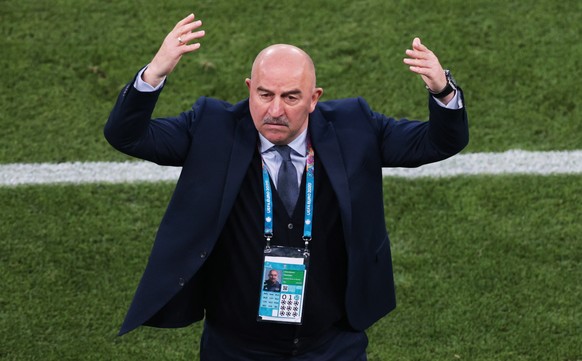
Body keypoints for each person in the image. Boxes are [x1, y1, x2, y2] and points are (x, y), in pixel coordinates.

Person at [104, 12, 468, 361]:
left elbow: (438, 142)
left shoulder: (356, 127)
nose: (275, 110)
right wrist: (153, 75)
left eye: (291, 97)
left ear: (314, 98)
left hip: (331, 343)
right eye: (264, 95)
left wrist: (443, 90)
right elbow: (127, 135)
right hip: (235, 346)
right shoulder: (211, 127)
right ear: (249, 90)